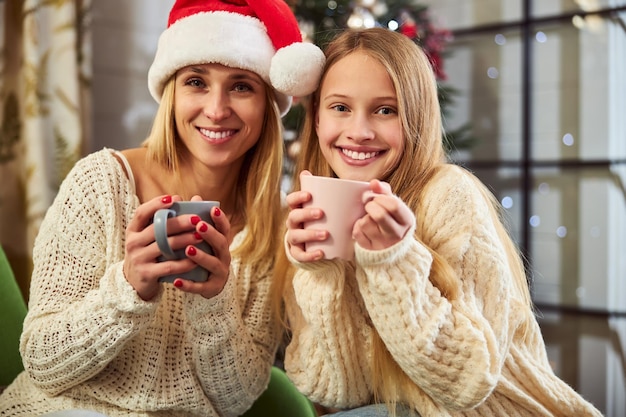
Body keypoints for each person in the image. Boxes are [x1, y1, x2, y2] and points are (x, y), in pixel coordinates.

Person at [0, 0, 324, 416]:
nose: (216, 109)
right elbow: (43, 364)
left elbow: (236, 399)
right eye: (196, 82)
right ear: (172, 93)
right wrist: (128, 288)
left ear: (268, 105)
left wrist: (214, 299)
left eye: (242, 85)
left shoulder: (274, 226)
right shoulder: (102, 182)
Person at [278, 27, 603, 417]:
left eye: (386, 110)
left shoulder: (448, 195)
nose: (359, 132)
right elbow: (337, 390)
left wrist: (394, 262)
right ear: (315, 119)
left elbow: (468, 382)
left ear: (416, 116)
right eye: (340, 108)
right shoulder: (312, 212)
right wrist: (323, 275)